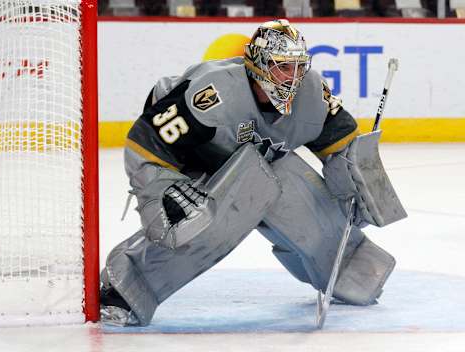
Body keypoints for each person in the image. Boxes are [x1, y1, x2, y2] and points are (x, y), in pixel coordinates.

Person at [100, 19, 405, 327]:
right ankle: (126, 287)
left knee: (280, 182)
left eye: (298, 67)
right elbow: (146, 142)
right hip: (189, 162)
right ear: (258, 64)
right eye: (282, 67)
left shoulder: (312, 93)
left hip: (254, 162)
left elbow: (342, 146)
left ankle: (350, 269)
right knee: (210, 215)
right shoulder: (213, 93)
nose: (293, 78)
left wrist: (357, 186)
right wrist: (162, 190)